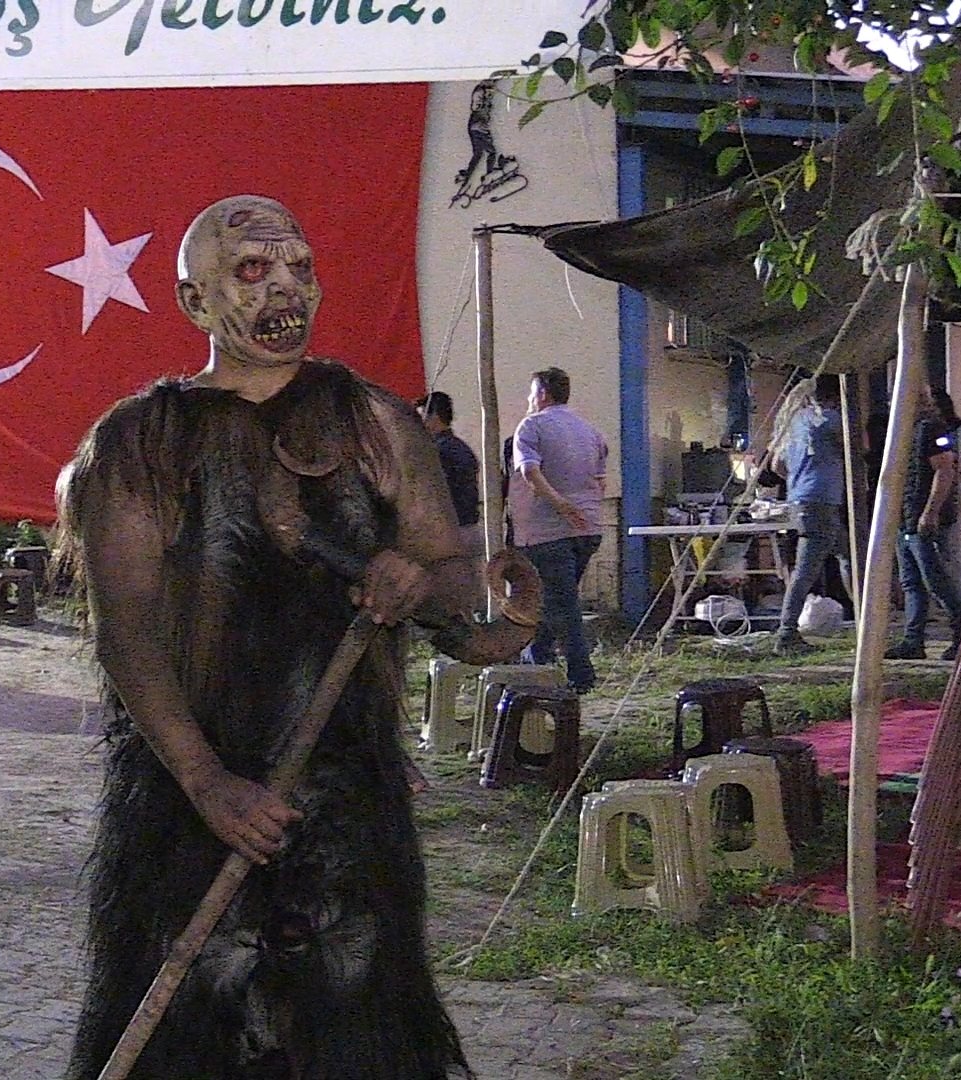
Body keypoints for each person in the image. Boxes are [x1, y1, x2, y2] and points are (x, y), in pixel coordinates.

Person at [56, 195, 539, 1080]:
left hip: (345, 803)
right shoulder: (139, 444)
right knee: (191, 1034)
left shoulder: (375, 424)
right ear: (195, 302)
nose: (284, 288)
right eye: (251, 271)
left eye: (299, 268)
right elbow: (125, 633)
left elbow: (456, 591)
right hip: (188, 799)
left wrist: (421, 581)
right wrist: (207, 782)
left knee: (356, 1031)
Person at [510, 366, 609, 692]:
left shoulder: (531, 426)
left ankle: (581, 676)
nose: (528, 399)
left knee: (562, 605)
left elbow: (529, 472)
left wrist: (559, 502)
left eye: (530, 393)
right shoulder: (589, 431)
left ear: (541, 394)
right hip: (589, 528)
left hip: (548, 530)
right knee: (553, 599)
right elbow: (600, 480)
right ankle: (535, 659)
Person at [886, 386, 961, 660]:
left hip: (922, 517)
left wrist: (930, 512)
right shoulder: (904, 431)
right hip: (906, 517)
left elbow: (944, 470)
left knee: (936, 580)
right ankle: (913, 641)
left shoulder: (930, 429)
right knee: (911, 582)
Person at [771, 375, 846, 655]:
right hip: (822, 499)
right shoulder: (830, 420)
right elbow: (856, 448)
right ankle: (786, 632)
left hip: (799, 499)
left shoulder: (793, 423)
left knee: (847, 554)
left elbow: (778, 466)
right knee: (805, 570)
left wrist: (801, 475)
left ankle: (864, 618)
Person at [416, 390, 484, 556]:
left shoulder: (436, 452)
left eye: (421, 417)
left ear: (433, 417)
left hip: (451, 533)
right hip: (471, 527)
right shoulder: (461, 448)